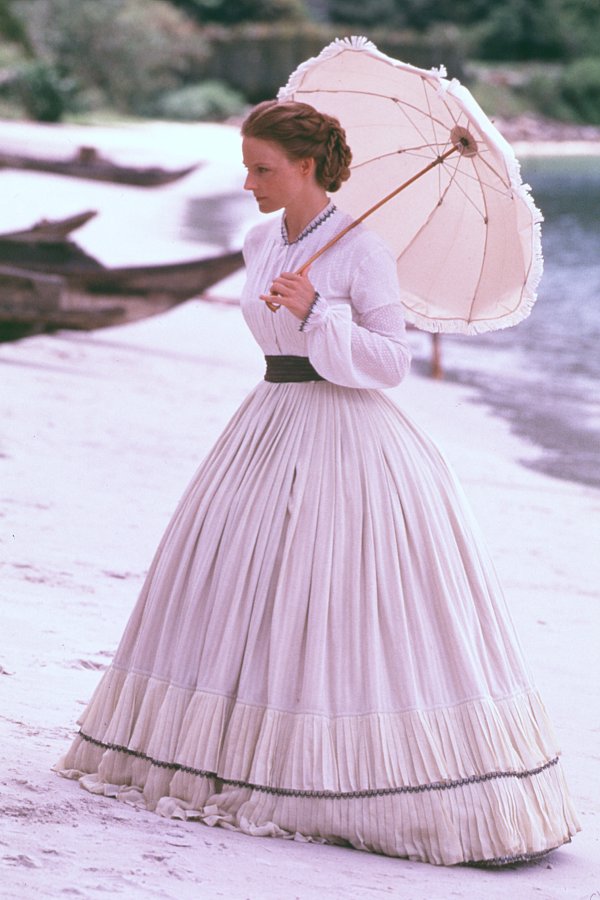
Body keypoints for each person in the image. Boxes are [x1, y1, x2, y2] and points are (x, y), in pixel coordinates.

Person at [56, 100, 579, 867]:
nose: (249, 183)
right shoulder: (259, 240)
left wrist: (319, 313)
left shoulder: (364, 250)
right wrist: (297, 316)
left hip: (344, 433)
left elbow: (392, 363)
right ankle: (225, 752)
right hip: (266, 423)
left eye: (262, 168)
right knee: (237, 580)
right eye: (246, 167)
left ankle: (334, 775)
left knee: (331, 594)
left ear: (306, 167)